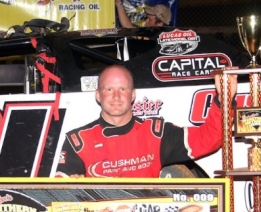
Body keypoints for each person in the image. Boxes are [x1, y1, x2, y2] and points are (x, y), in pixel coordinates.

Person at [55, 65, 237, 178]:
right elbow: (59, 187)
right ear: (98, 95)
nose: (116, 96)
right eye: (109, 89)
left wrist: (224, 99)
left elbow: (209, 138)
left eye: (123, 89)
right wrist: (71, 185)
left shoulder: (155, 133)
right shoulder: (78, 141)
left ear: (133, 95)